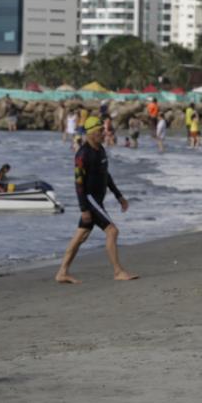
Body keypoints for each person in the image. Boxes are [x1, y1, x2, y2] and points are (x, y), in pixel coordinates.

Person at [55, 116, 137, 283]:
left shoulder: (100, 150)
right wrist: (84, 208)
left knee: (81, 236)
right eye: (100, 131)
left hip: (97, 201)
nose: (103, 133)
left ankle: (62, 272)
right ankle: (117, 271)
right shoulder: (82, 155)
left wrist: (118, 195)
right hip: (90, 201)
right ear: (91, 133)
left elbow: (106, 175)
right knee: (112, 231)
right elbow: (78, 184)